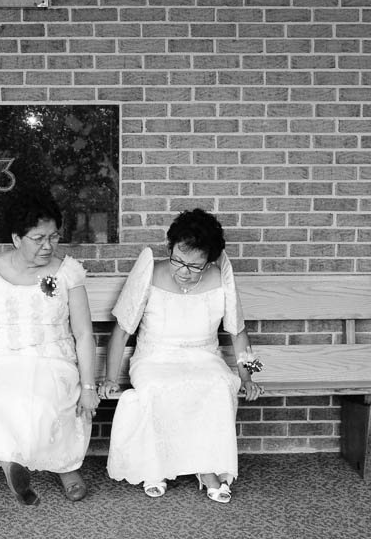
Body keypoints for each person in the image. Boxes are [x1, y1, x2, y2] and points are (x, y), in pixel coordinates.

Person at [98, 208, 263, 504]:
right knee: (156, 387)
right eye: (178, 260)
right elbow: (122, 331)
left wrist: (248, 377)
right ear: (170, 249)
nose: (184, 271)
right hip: (155, 357)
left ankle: (207, 467)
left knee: (218, 386)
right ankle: (155, 466)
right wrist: (110, 378)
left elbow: (237, 332)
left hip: (204, 356)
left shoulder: (221, 277)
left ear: (209, 261)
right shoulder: (149, 272)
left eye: (195, 266)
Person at [0, 192, 100, 506]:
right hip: (3, 360)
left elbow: (84, 333)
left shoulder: (68, 272)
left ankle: (66, 468)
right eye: (38, 238)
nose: (48, 246)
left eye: (54, 237)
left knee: (46, 399)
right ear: (17, 238)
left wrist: (89, 385)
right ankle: (12, 463)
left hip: (54, 359)